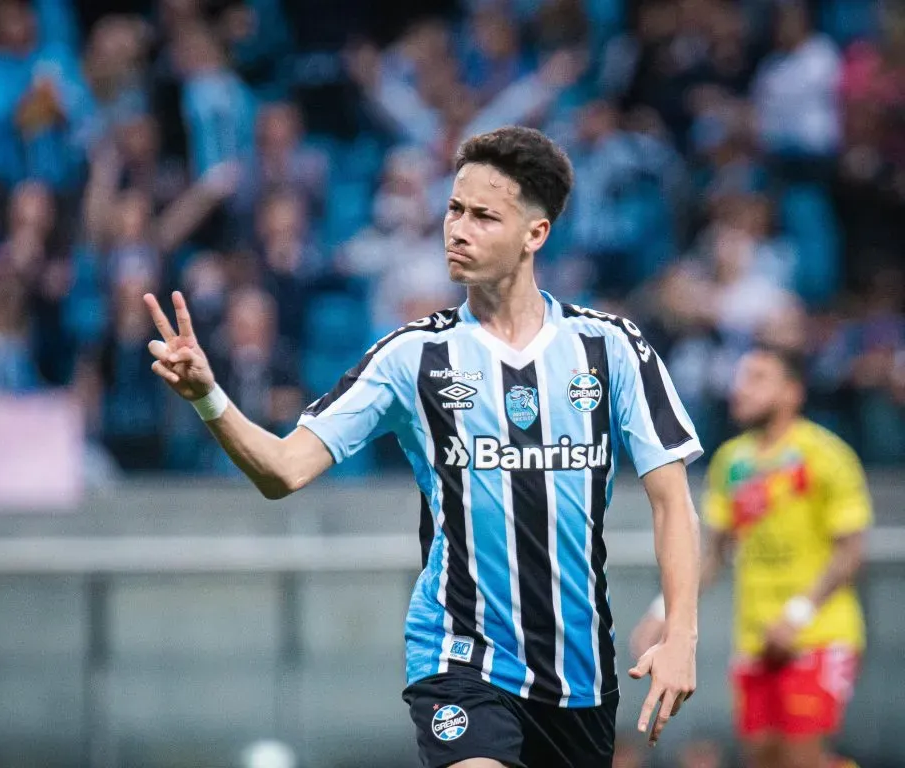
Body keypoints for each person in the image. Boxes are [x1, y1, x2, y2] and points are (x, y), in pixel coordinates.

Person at [144, 126, 703, 767]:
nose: (457, 229)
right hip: (460, 659)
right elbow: (283, 470)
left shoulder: (610, 348)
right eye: (454, 209)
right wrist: (209, 397)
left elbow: (672, 503)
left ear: (535, 234)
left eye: (484, 216)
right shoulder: (412, 357)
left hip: (579, 677)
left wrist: (682, 634)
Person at [630, 345, 870, 768]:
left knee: (801, 758)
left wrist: (797, 615)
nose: (740, 389)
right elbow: (713, 553)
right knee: (762, 757)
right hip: (754, 639)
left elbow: (850, 551)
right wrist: (662, 611)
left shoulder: (826, 454)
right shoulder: (731, 461)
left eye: (757, 378)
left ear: (792, 391)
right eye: (741, 378)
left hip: (818, 635)